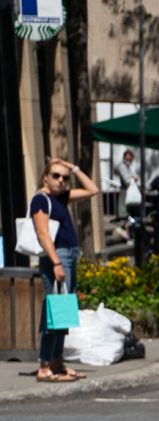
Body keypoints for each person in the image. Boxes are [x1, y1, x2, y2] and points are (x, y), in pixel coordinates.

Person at [32, 157, 99, 382]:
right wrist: (56, 263)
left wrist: (73, 167)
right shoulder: (40, 200)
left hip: (69, 256)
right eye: (56, 176)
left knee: (63, 311)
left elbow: (93, 190)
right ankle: (44, 366)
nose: (61, 181)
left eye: (65, 178)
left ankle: (57, 362)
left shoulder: (60, 198)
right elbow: (43, 234)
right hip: (58, 258)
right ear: (45, 177)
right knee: (55, 310)